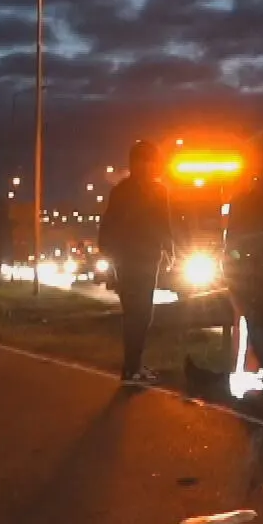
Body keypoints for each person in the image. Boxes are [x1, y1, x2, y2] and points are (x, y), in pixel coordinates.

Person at [98, 139, 175, 385]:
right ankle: (132, 368)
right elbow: (108, 226)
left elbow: (164, 225)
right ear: (135, 163)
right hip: (128, 261)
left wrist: (169, 250)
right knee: (136, 313)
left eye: (151, 161)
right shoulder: (122, 192)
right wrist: (110, 256)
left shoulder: (158, 191)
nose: (148, 166)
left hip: (148, 259)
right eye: (144, 161)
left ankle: (133, 366)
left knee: (142, 314)